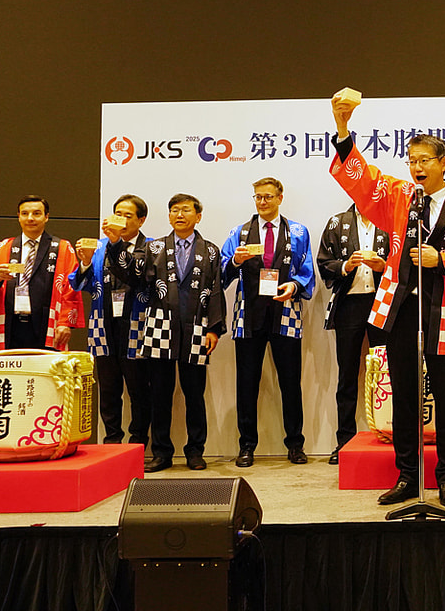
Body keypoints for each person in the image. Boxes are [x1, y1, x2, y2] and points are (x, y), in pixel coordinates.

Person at [329, 90, 445, 508]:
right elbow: (364, 182)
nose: (416, 167)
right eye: (411, 160)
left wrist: (444, 260)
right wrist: (343, 129)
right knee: (403, 393)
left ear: (444, 163)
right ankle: (407, 475)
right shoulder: (400, 196)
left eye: (424, 160)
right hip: (399, 305)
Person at [105, 193, 227, 472]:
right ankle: (161, 452)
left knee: (194, 394)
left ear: (198, 216)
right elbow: (132, 276)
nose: (179, 215)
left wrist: (214, 329)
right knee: (160, 394)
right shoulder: (155, 247)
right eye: (174, 210)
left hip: (196, 327)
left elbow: (216, 289)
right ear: (169, 216)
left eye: (186, 210)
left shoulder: (210, 251)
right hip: (159, 326)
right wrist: (115, 244)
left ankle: (195, 451)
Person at [221, 178, 316, 467]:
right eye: (258, 197)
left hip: (285, 311)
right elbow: (222, 271)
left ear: (280, 198)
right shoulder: (239, 233)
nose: (262, 202)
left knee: (291, 382)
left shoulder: (298, 231)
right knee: (246, 383)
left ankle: (295, 444)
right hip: (248, 315)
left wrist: (295, 286)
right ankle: (246, 445)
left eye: (268, 197)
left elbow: (306, 270)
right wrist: (235, 262)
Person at [71, 194, 153, 446]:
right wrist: (85, 262)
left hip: (137, 324)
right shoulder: (98, 247)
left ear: (141, 220)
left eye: (128, 216)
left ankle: (138, 441)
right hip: (103, 324)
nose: (122, 220)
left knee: (139, 388)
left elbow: (142, 278)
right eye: (118, 214)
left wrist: (116, 243)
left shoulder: (152, 247)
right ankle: (112, 440)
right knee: (108, 388)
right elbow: (79, 284)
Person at [317, 204, 390, 464]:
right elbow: (324, 263)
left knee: (387, 373)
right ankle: (344, 441)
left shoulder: (389, 220)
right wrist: (346, 266)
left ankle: (391, 435)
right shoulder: (338, 223)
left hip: (382, 303)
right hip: (349, 304)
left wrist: (384, 266)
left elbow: (404, 263)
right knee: (347, 374)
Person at [0, 196, 82, 350]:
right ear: (18, 217)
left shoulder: (62, 248)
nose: (30, 218)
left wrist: (65, 323)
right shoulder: (3, 247)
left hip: (47, 323)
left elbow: (72, 288)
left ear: (46, 217)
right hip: (11, 323)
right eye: (25, 213)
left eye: (36, 213)